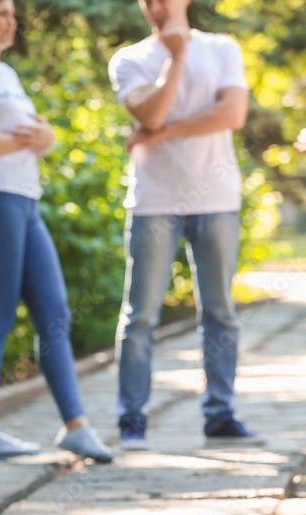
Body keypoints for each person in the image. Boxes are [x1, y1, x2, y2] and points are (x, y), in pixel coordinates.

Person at [0, 0, 115, 463]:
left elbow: (37, 135)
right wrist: (30, 139)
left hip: (25, 202)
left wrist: (47, 138)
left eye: (14, 14)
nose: (12, 22)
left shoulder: (7, 76)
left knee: (55, 313)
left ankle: (76, 425)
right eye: (2, 13)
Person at [109, 0, 261, 448]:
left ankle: (220, 414)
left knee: (220, 313)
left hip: (217, 199)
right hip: (154, 203)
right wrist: (175, 58)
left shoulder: (222, 48)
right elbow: (150, 113)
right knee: (141, 316)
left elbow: (232, 114)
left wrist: (163, 133)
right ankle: (131, 419)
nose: (157, 6)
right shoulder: (130, 59)